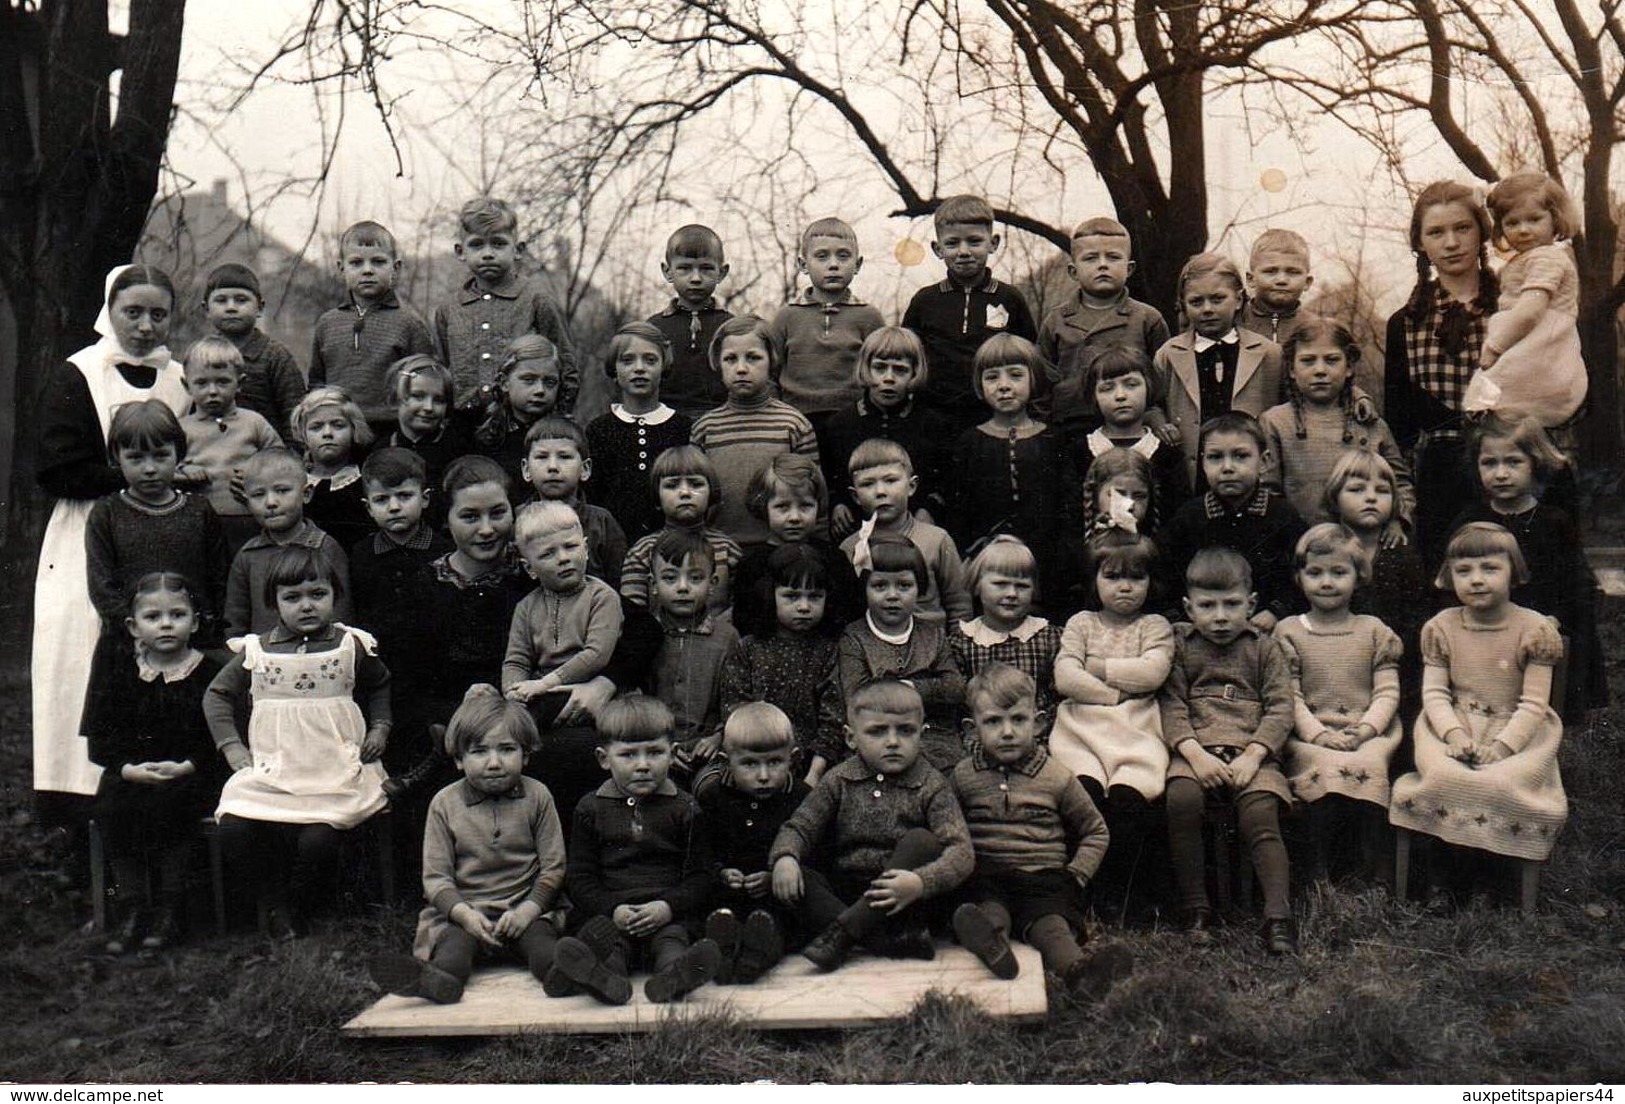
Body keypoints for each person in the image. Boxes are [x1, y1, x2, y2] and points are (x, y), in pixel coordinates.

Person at [34, 264, 188, 813]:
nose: (146, 326)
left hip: (159, 531)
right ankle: (74, 803)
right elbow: (57, 470)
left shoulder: (177, 377)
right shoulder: (80, 373)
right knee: (81, 654)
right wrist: (129, 477)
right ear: (111, 310)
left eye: (158, 314)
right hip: (86, 531)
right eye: (133, 313)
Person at [207, 546, 391, 936]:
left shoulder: (350, 645)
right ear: (273, 602)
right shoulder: (257, 651)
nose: (306, 606)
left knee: (318, 839)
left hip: (336, 771)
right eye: (292, 597)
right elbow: (217, 695)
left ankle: (299, 904)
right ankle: (275, 904)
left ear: (334, 596)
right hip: (275, 771)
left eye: (317, 595)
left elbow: (380, 685)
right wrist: (232, 746)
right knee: (235, 827)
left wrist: (380, 728)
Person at [1389, 523, 1567, 904]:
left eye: (1490, 568)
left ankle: (1493, 876)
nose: (1477, 580)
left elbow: (1534, 704)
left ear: (1513, 572)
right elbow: (1435, 693)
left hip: (1517, 733)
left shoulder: (1534, 628)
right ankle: (1446, 879)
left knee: (1498, 784)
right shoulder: (1441, 628)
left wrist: (1502, 749)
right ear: (1448, 576)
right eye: (1464, 571)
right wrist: (1454, 735)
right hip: (1455, 725)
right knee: (1442, 775)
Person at [365, 686, 566, 1005]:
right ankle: (435, 981)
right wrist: (464, 914)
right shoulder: (445, 804)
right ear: (458, 759)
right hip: (466, 914)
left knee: (545, 951)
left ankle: (568, 975)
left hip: (524, 912)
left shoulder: (537, 796)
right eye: (479, 751)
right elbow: (436, 878)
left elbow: (553, 866)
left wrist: (528, 909)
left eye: (507, 750)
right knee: (454, 954)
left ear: (526, 755)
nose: (494, 762)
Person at [949, 664, 1132, 996]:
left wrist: (1076, 875)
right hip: (988, 873)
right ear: (971, 729)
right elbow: (951, 828)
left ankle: (1080, 974)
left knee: (1051, 927)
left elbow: (1095, 830)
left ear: (1039, 722)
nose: (1007, 732)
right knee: (989, 911)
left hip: (1043, 877)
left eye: (1018, 719)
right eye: (993, 721)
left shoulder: (1056, 776)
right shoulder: (963, 776)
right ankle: (994, 947)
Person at [771, 679, 975, 971]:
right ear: (851, 738)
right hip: (849, 890)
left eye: (905, 730)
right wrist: (785, 857)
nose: (892, 741)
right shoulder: (839, 779)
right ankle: (880, 941)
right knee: (800, 876)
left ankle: (843, 934)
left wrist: (920, 882)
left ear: (922, 733)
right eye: (877, 731)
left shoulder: (931, 784)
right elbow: (800, 826)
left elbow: (962, 852)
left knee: (922, 841)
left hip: (901, 898)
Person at [1160, 548, 1297, 953]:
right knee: (1181, 801)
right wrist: (1195, 755)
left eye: (1232, 604)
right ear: (1188, 608)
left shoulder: (1264, 648)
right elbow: (1172, 705)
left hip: (1253, 755)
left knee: (1261, 815)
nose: (1220, 616)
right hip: (1195, 753)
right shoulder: (1182, 647)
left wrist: (1255, 754)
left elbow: (1280, 708)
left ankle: (1278, 916)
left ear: (1251, 604)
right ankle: (1196, 909)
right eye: (1207, 606)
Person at [86, 574, 228, 954]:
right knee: (113, 805)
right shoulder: (120, 675)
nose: (166, 624)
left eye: (177, 614)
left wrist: (189, 766)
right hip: (132, 773)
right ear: (134, 627)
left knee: (173, 805)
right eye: (153, 617)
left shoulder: (210, 674)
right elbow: (100, 739)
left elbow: (223, 737)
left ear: (195, 622)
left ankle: (170, 907)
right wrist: (127, 768)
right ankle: (132, 906)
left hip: (191, 773)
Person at [553, 696, 720, 1005]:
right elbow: (580, 878)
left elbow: (701, 876)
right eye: (628, 755)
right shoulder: (591, 808)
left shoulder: (685, 808)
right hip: (614, 914)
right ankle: (606, 980)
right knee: (609, 945)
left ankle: (673, 978)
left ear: (671, 755)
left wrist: (667, 907)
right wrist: (612, 910)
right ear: (604, 758)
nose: (643, 765)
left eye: (654, 753)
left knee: (673, 940)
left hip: (667, 913)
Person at [1442, 416, 1606, 720]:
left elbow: (1576, 586)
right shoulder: (1470, 519)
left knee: (1535, 711)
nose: (1501, 474)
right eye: (1489, 463)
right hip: (1483, 631)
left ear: (1535, 464)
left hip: (1539, 631)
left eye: (1513, 462)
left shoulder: (1553, 522)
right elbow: (1452, 581)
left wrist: (1553, 621)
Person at [1276, 524, 1404, 882]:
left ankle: (1372, 864)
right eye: (1315, 573)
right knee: (1323, 767)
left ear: (1359, 576)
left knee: (1370, 764)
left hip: (1367, 733)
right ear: (1299, 578)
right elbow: (1290, 695)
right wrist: (1317, 735)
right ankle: (1318, 866)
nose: (1327, 582)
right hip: (1309, 735)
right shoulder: (1289, 631)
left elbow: (1387, 692)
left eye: (1338, 572)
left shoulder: (1373, 630)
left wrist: (1365, 730)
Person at [1383, 181, 1500, 566]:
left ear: (1482, 231)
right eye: (1436, 232)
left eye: (1462, 228)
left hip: (1508, 465)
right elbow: (1399, 426)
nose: (1451, 243)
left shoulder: (1512, 308)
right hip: (1438, 480)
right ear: (1420, 243)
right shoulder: (1406, 323)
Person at [347, 447, 453, 814]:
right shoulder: (361, 555)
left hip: (431, 674)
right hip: (382, 673)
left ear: (424, 499)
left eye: (404, 496)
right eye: (382, 499)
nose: (394, 506)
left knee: (428, 757)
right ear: (367, 506)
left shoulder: (442, 550)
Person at [502, 501, 624, 817]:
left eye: (570, 547)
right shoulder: (526, 607)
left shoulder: (602, 597)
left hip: (584, 693)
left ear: (585, 548)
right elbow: (516, 660)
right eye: (548, 554)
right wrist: (513, 691)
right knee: (497, 709)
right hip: (542, 695)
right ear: (529, 567)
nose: (563, 558)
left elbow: (596, 654)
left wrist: (544, 684)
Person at [948, 334, 1080, 609]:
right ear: (979, 384)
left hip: (1047, 566)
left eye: (1015, 376)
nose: (1004, 386)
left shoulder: (1052, 439)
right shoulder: (970, 442)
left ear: (1034, 380)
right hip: (987, 562)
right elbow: (959, 510)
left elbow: (1068, 505)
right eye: (992, 377)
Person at [86, 401, 228, 653]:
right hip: (127, 647)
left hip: (193, 645)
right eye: (136, 458)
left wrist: (205, 628)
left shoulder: (199, 511)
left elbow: (219, 579)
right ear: (117, 457)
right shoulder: (106, 513)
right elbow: (102, 587)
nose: (149, 468)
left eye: (161, 455)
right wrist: (138, 632)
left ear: (179, 453)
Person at [1050, 529, 1174, 809]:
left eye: (1136, 577)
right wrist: (1115, 697)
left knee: (1127, 799)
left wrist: (1098, 667)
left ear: (1150, 581)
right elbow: (1066, 677)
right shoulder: (1081, 623)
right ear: (1094, 581)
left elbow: (1152, 672)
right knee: (1083, 794)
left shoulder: (1154, 626)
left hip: (1135, 732)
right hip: (1082, 730)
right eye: (1112, 576)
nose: (1125, 587)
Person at [821, 536, 966, 772]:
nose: (892, 595)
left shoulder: (933, 635)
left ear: (919, 588)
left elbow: (955, 687)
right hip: (877, 740)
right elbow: (857, 696)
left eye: (904, 585)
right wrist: (924, 688)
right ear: (865, 589)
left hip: (934, 739)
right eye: (880, 586)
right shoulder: (854, 638)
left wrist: (912, 687)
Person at [1260, 315, 1414, 536]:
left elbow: (1399, 481)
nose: (1320, 370)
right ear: (1292, 370)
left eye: (1332, 360)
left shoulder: (1369, 421)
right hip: (1300, 542)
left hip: (1363, 541)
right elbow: (1268, 490)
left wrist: (1398, 519)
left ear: (1349, 367)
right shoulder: (1275, 422)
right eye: (1308, 360)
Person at [1155, 412, 1306, 632]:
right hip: (1202, 630)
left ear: (1264, 462)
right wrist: (1186, 620)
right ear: (1203, 462)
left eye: (1240, 456)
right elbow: (1165, 577)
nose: (1227, 467)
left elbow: (1300, 573)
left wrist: (1276, 611)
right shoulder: (1190, 517)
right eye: (1215, 457)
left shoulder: (1282, 516)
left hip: (1266, 630)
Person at [696, 703, 811, 985]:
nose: (763, 775)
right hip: (730, 889)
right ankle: (722, 953)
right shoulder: (714, 798)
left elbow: (817, 850)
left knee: (777, 920)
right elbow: (702, 850)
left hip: (775, 892)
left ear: (793, 759)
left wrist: (775, 877)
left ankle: (756, 958)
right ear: (726, 761)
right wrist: (721, 872)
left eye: (774, 762)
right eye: (749, 764)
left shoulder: (801, 797)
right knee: (717, 912)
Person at [902, 194, 1038, 431]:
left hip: (994, 415)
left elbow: (1031, 358)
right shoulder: (925, 301)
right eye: (953, 243)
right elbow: (907, 356)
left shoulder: (1009, 298)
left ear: (993, 243)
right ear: (938, 248)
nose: (963, 251)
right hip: (934, 415)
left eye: (974, 241)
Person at [1462, 172, 1588, 426]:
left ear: (1555, 219)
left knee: (1494, 389)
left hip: (1537, 336)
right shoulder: (1530, 258)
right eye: (1512, 223)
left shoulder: (1546, 258)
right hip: (1527, 334)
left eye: (1534, 219)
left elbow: (1531, 310)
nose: (1523, 229)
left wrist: (1495, 346)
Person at [432, 196, 578, 411]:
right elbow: (442, 371)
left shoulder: (537, 301)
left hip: (524, 422)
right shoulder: (448, 310)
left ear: (518, 249)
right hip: (464, 427)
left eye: (498, 244)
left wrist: (559, 419)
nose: (488, 253)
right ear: (461, 251)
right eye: (477, 245)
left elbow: (566, 367)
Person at [1153, 252, 1283, 489]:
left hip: (1251, 475)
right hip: (1192, 476)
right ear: (1183, 304)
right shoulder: (1169, 354)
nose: (1207, 309)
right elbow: (1153, 403)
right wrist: (1161, 424)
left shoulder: (1269, 353)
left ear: (1239, 300)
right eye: (1196, 302)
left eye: (1217, 299)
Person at [691, 314, 820, 549]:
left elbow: (813, 494)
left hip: (781, 549)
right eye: (730, 359)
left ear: (771, 360)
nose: (741, 368)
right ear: (717, 363)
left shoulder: (793, 424)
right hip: (719, 550)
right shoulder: (705, 428)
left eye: (753, 358)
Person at [1040, 216, 1172, 445]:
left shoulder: (1147, 319)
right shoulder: (1057, 320)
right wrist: (1044, 426)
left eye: (1113, 257)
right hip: (1068, 429)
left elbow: (1162, 379)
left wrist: (1157, 417)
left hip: (1131, 428)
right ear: (1073, 270)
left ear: (1129, 268)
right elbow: (1041, 380)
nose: (1103, 264)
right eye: (1090, 258)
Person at [1322, 449, 1429, 726]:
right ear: (1335, 497)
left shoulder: (1401, 551)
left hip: (1395, 664)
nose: (1371, 497)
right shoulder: (1324, 548)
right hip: (1335, 658)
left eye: (1382, 491)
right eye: (1357, 490)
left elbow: (1416, 614)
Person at [817, 325, 954, 539]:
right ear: (866, 368)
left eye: (900, 370)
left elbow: (945, 479)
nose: (889, 378)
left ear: (914, 373)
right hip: (856, 529)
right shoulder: (840, 424)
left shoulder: (934, 425)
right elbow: (829, 476)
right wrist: (837, 504)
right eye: (880, 368)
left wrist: (929, 508)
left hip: (916, 529)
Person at [719, 543, 841, 785]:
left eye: (815, 597)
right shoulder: (748, 648)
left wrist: (814, 775)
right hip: (755, 760)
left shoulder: (828, 651)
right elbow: (735, 710)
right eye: (792, 596)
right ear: (770, 594)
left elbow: (834, 718)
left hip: (814, 765)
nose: (804, 607)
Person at [309, 219, 435, 432]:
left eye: (378, 262)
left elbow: (426, 385)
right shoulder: (327, 324)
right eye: (356, 263)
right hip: (339, 429)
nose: (367, 270)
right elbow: (316, 383)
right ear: (341, 268)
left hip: (391, 429)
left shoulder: (409, 324)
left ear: (395, 267)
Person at [638, 528, 740, 783]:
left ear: (712, 583)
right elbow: (635, 699)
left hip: (707, 749)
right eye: (670, 579)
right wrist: (658, 745)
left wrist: (719, 737)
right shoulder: (644, 634)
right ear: (653, 584)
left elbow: (735, 697)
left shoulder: (727, 637)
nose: (683, 588)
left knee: (714, 788)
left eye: (695, 578)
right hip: (650, 748)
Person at [767, 217, 886, 431]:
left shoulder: (869, 316)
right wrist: (778, 415)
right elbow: (769, 372)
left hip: (853, 420)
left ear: (857, 264)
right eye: (822, 256)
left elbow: (879, 370)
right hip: (796, 420)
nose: (833, 264)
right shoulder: (786, 316)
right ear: (803, 264)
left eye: (843, 256)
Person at [838, 438, 973, 625]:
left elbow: (959, 605)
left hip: (932, 646)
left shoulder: (936, 540)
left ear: (911, 486)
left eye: (891, 480)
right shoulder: (850, 548)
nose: (880, 491)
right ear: (855, 496)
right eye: (868, 484)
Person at [223, 448, 351, 637]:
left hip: (321, 657)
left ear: (306, 494)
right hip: (266, 661)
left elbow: (342, 613)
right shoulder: (248, 555)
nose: (271, 502)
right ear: (247, 501)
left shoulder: (325, 547)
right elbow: (235, 621)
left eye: (282, 491)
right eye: (259, 495)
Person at [585, 322, 695, 541]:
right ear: (614, 369)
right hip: (613, 544)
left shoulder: (683, 428)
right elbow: (592, 497)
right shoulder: (599, 430)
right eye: (627, 360)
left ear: (664, 365)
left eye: (650, 360)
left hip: (673, 544)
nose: (639, 368)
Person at [730, 453, 858, 640]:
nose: (795, 517)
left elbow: (850, 613)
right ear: (764, 506)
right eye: (782, 507)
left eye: (805, 506)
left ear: (818, 505)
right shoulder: (753, 564)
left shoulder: (832, 557)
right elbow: (745, 622)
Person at [174, 334, 283, 553]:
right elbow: (164, 468)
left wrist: (256, 471)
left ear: (239, 383)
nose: (212, 391)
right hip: (199, 522)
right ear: (187, 386)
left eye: (222, 381)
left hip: (250, 519)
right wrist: (185, 470)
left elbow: (281, 460)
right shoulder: (181, 428)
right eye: (202, 383)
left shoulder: (254, 422)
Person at [617, 444, 742, 614]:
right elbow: (632, 610)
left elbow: (738, 609)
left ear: (711, 491)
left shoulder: (727, 548)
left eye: (696, 484)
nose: (685, 493)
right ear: (657, 494)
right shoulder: (643, 550)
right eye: (672, 485)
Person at [1071, 347, 1189, 518]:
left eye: (1131, 385)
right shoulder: (1079, 451)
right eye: (1107, 388)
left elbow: (1176, 518)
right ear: (1093, 397)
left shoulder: (1166, 453)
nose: (1120, 395)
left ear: (1148, 387)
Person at [949, 535, 1063, 713]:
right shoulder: (961, 642)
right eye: (1000, 584)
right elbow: (960, 704)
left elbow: (1058, 698)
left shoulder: (1050, 638)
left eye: (1022, 586)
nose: (1012, 593)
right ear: (977, 585)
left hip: (1039, 732)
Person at [515, 417, 627, 589]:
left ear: (585, 468)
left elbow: (618, 581)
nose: (552, 466)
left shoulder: (601, 522)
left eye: (564, 457)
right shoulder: (516, 521)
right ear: (526, 469)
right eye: (542, 457)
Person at [200, 262, 306, 438]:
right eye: (221, 300)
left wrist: (289, 458)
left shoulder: (275, 356)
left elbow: (294, 414)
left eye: (241, 300)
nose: (231, 307)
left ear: (260, 308)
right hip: (212, 452)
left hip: (266, 454)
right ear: (206, 309)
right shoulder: (200, 355)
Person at [648, 224, 732, 419]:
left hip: (720, 420)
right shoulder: (653, 328)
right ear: (667, 271)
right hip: (666, 421)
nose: (695, 278)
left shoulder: (731, 328)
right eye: (685, 268)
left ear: (722, 272)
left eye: (706, 268)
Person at [468, 334, 567, 493]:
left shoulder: (565, 436)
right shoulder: (480, 432)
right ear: (504, 382)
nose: (540, 390)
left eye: (549, 382)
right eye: (529, 379)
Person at [379, 355, 469, 518]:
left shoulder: (457, 449)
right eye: (418, 396)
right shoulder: (382, 449)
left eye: (439, 400)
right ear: (396, 398)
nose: (428, 407)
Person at [290, 386, 375, 553]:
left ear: (353, 430)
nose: (327, 433)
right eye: (316, 427)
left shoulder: (366, 480)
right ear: (303, 434)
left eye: (338, 425)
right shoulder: (295, 483)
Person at [1239, 228, 1313, 345]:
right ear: (1251, 279)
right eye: (1270, 271)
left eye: (1292, 272)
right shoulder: (1235, 324)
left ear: (1307, 282)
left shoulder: (1315, 329)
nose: (1281, 280)